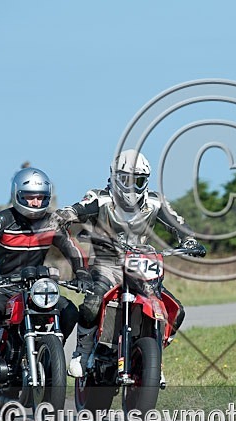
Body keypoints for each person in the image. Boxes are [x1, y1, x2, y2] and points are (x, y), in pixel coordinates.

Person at [55, 149, 205, 382]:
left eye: (138, 180)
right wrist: (65, 214)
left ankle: (154, 360)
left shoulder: (155, 202)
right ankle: (82, 353)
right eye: (126, 179)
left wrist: (189, 240)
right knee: (93, 302)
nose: (132, 186)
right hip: (107, 263)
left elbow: (178, 223)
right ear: (115, 177)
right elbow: (79, 209)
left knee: (176, 311)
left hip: (141, 264)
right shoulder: (100, 198)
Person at [0, 167, 90, 388]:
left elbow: (73, 250)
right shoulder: (1, 221)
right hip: (0, 285)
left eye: (40, 197)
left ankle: (51, 352)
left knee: (69, 312)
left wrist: (83, 274)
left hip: (36, 287)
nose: (35, 202)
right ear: (18, 195)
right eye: (30, 197)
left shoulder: (53, 223)